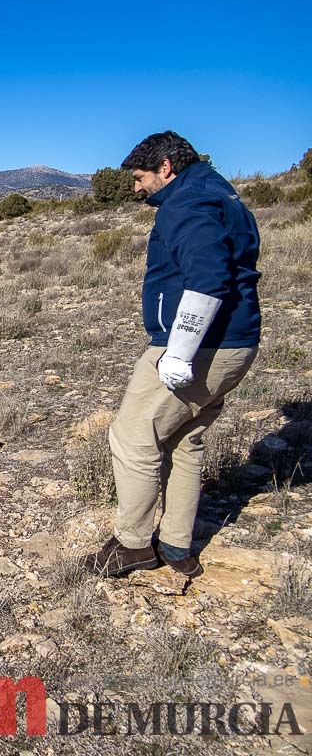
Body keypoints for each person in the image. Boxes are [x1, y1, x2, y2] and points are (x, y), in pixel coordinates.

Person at [83, 131, 261, 579]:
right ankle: (177, 545)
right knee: (184, 439)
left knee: (132, 435)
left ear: (166, 168)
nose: (136, 187)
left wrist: (178, 352)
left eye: (141, 177)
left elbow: (207, 278)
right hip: (233, 343)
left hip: (201, 346)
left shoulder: (187, 202)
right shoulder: (218, 191)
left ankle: (133, 544)